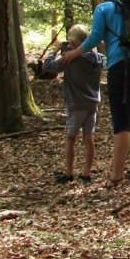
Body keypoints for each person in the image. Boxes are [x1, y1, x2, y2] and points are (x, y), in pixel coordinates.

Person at [59, 0, 130, 186]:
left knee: (122, 121)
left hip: (122, 66)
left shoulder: (103, 9)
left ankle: (116, 176)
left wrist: (74, 53)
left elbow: (94, 38)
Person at [43, 24, 105, 184]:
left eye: (71, 43)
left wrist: (55, 50)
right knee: (88, 137)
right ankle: (86, 173)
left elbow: (48, 67)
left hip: (76, 103)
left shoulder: (70, 58)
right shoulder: (97, 58)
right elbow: (106, 61)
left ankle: (69, 173)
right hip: (92, 102)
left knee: (71, 138)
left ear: (75, 43)